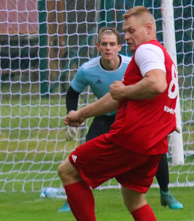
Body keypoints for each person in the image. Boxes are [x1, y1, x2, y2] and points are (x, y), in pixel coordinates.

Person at [59, 6, 178, 221]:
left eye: (130, 30)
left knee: (67, 169)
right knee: (134, 198)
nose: (127, 37)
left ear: (148, 29)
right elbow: (120, 96)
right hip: (154, 145)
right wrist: (81, 114)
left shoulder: (146, 51)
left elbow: (156, 85)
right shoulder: (161, 55)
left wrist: (125, 89)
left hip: (131, 138)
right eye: (124, 31)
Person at [63, 27, 183, 211]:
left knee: (157, 151)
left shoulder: (132, 65)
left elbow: (156, 87)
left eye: (112, 44)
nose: (108, 48)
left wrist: (167, 116)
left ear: (120, 47)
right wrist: (72, 113)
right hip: (104, 117)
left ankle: (165, 193)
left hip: (130, 116)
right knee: (86, 152)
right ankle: (73, 197)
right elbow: (72, 93)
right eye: (104, 44)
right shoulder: (87, 70)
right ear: (98, 47)